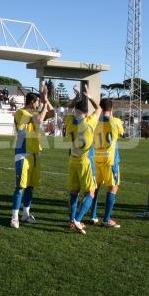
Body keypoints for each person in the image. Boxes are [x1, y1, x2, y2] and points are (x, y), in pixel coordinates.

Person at [9, 84, 54, 228]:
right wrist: (45, 101)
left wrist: (46, 100)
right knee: (20, 187)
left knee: (30, 187)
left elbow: (52, 113)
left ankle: (26, 214)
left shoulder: (34, 113)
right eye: (38, 102)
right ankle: (14, 217)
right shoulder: (21, 112)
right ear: (32, 102)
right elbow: (39, 120)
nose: (39, 105)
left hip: (35, 154)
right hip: (23, 154)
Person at [64, 84, 102, 235]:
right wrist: (90, 96)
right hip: (85, 161)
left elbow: (68, 108)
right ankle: (77, 220)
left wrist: (77, 97)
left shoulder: (69, 121)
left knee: (73, 193)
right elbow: (99, 109)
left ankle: (71, 220)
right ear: (86, 113)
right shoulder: (89, 122)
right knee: (90, 193)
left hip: (72, 159)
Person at [88, 98, 123, 228]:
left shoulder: (95, 123)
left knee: (95, 188)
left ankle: (93, 216)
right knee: (113, 188)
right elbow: (120, 133)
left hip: (96, 159)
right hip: (110, 160)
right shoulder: (116, 122)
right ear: (112, 109)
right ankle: (106, 219)